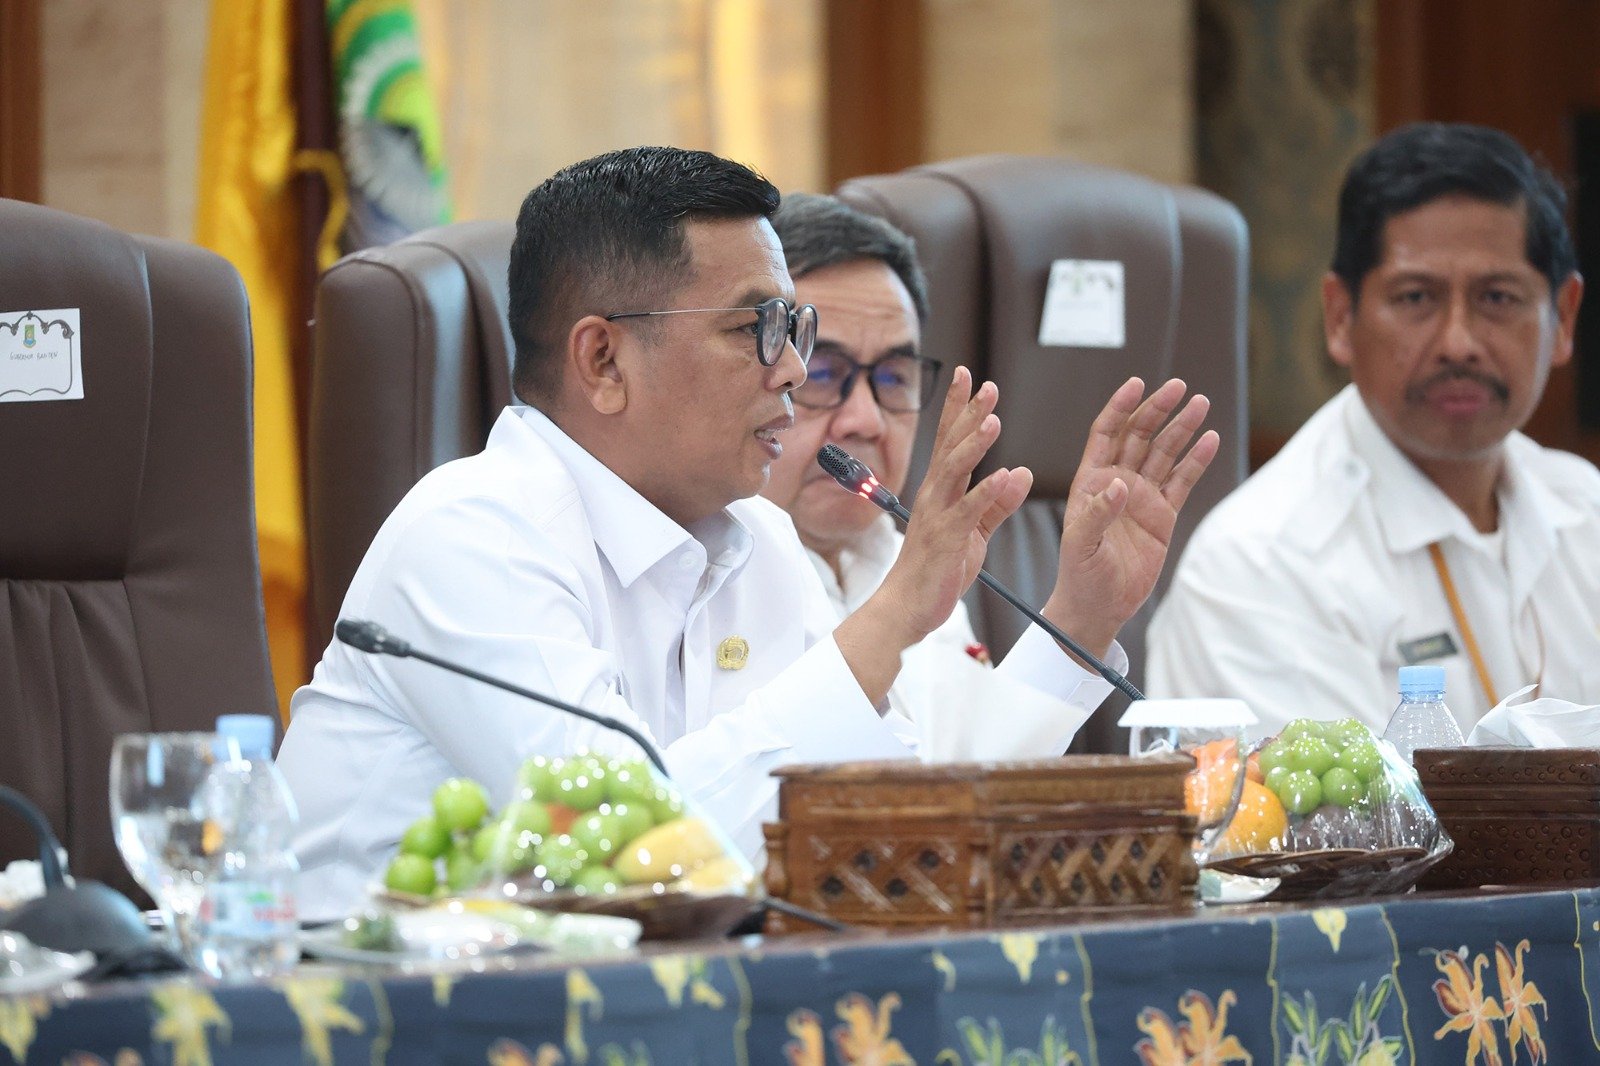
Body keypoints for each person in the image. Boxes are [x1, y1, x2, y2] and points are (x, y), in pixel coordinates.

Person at [277, 147, 1204, 916]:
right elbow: (640, 858)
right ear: (603, 360)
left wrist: (1077, 618)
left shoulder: (754, 541)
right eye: (760, 327)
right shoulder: (470, 536)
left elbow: (909, 835)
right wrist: (891, 617)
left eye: (793, 326)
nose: (794, 369)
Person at [1148, 122, 1600, 738]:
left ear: (1564, 318)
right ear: (1340, 317)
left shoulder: (1587, 510)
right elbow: (1349, 831)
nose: (1459, 343)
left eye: (1498, 297)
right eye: (1416, 298)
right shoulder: (1263, 563)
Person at [761, 193, 1219, 745]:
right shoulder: (721, 565)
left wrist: (1083, 615)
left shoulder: (898, 552)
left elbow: (972, 777)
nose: (865, 421)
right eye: (821, 373)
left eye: (892, 378)